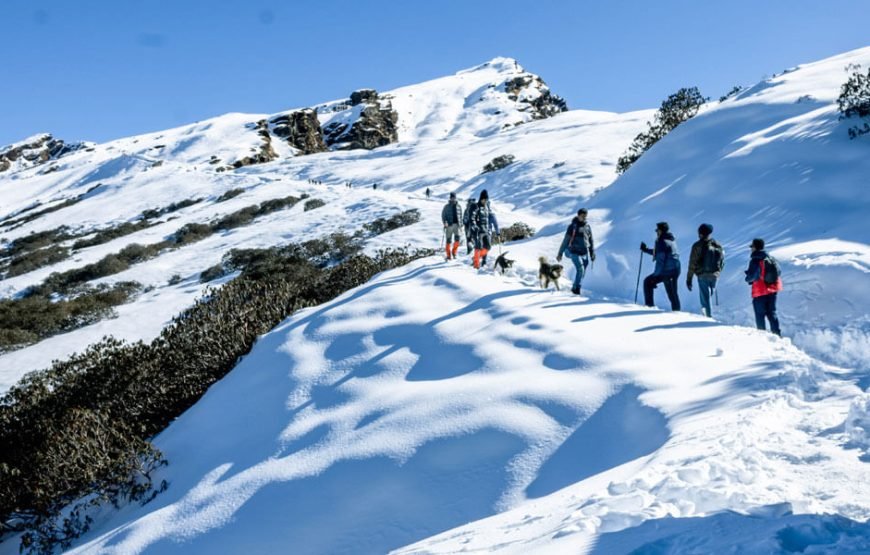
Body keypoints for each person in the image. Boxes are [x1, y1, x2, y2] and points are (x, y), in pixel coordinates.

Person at [744, 238, 782, 336]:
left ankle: (762, 336)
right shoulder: (771, 258)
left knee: (760, 315)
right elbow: (779, 272)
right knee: (772, 313)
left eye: (752, 246)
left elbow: (753, 276)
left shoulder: (755, 259)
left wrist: (747, 278)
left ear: (755, 247)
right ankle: (777, 334)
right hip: (772, 290)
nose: (751, 249)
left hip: (760, 291)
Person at [640, 221, 681, 310]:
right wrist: (646, 250)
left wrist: (655, 275)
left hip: (667, 271)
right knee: (673, 293)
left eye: (657, 230)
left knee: (647, 282)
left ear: (661, 231)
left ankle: (649, 307)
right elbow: (659, 253)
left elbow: (660, 260)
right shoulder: (670, 239)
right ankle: (677, 312)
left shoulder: (661, 241)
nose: (656, 232)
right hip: (675, 269)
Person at [686, 223, 724, 317]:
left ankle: (708, 317)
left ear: (701, 234)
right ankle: (706, 312)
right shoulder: (718, 245)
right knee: (708, 294)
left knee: (706, 297)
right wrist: (718, 272)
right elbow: (722, 261)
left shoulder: (697, 246)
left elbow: (692, 263)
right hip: (715, 275)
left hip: (702, 275)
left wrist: (689, 279)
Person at [556, 208, 595, 295]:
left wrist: (592, 253)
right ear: (578, 215)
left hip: (584, 252)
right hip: (574, 251)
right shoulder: (573, 226)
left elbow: (591, 240)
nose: (584, 218)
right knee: (580, 269)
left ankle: (577, 285)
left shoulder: (587, 226)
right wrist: (560, 253)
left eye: (585, 216)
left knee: (583, 270)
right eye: (582, 216)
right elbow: (566, 240)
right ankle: (575, 289)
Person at [468, 189, 499, 269]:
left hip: (485, 230)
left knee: (488, 246)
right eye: (484, 199)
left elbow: (488, 218)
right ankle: (476, 265)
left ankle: (476, 258)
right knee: (478, 247)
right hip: (478, 230)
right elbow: (472, 218)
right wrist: (474, 226)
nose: (485, 201)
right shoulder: (476, 206)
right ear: (481, 199)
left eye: (486, 200)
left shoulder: (486, 208)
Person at [441, 192, 463, 260]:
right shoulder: (446, 207)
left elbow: (460, 216)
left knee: (457, 240)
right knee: (448, 241)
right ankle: (448, 255)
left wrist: (461, 224)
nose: (453, 199)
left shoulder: (459, 206)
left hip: (457, 225)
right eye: (452, 197)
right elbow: (443, 216)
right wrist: (445, 222)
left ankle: (454, 252)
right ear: (450, 198)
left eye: (454, 197)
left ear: (456, 198)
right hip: (449, 226)